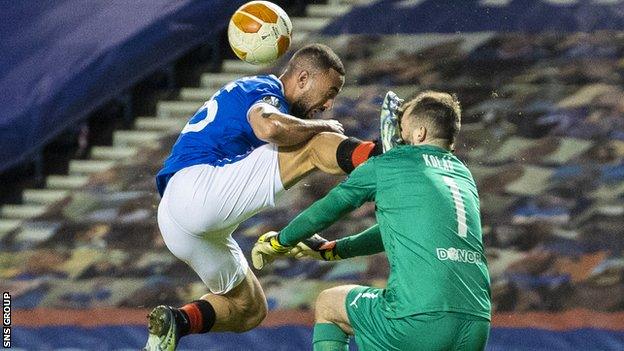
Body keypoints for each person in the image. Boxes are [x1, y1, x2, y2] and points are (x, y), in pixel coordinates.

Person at [144, 43, 397, 350]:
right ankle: (382, 153)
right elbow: (269, 127)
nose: (329, 104)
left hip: (175, 219)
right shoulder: (265, 87)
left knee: (248, 308)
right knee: (316, 141)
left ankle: (177, 321)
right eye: (330, 92)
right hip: (197, 188)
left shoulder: (257, 92)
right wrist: (322, 126)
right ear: (302, 78)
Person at [253, 91, 492, 351]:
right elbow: (401, 228)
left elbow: (327, 210)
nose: (400, 137)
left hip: (417, 319)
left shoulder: (390, 163)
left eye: (403, 130)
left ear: (420, 133)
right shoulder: (463, 175)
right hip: (476, 323)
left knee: (329, 304)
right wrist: (335, 250)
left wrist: (281, 241)